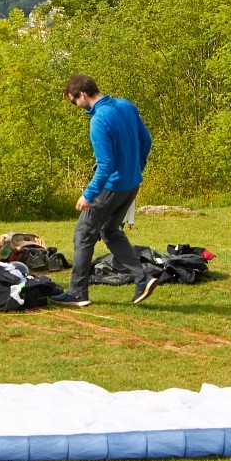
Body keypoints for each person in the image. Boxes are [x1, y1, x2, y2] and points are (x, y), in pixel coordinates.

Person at [53, 74, 158, 307]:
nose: (75, 107)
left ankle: (77, 292)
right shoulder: (126, 105)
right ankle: (143, 278)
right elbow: (146, 140)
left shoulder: (99, 120)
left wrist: (88, 195)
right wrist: (136, 167)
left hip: (111, 187)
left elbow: (106, 166)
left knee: (83, 233)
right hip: (131, 183)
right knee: (110, 231)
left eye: (73, 102)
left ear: (82, 94)